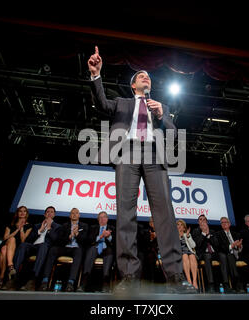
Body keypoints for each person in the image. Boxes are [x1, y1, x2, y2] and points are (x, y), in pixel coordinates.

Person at [88, 46, 196, 294]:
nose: (146, 77)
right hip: (127, 154)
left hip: (154, 156)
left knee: (165, 216)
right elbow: (101, 104)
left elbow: (172, 133)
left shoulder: (162, 107)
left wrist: (161, 116)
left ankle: (175, 276)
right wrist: (96, 75)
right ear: (133, 84)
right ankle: (128, 275)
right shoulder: (122, 103)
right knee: (126, 214)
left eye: (149, 76)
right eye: (141, 75)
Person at [39, 208, 88, 292]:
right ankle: (45, 281)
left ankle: (70, 283)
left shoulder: (84, 226)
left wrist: (77, 234)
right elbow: (59, 240)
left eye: (76, 213)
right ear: (70, 216)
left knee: (79, 251)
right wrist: (69, 236)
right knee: (53, 249)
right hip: (65, 247)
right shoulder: (64, 226)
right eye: (72, 213)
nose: (74, 215)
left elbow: (85, 241)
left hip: (76, 248)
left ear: (79, 215)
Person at [15, 206, 61, 291]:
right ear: (44, 214)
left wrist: (49, 229)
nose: (49, 213)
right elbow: (29, 239)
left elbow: (57, 241)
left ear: (54, 215)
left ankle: (33, 279)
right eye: (48, 212)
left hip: (45, 248)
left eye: (51, 212)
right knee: (23, 245)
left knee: (43, 246)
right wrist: (40, 230)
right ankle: (14, 275)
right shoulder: (37, 225)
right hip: (34, 246)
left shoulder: (58, 227)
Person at [0, 206, 34, 290]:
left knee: (4, 250)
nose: (22, 213)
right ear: (17, 213)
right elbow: (5, 238)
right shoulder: (10, 225)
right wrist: (17, 229)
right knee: (11, 240)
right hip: (7, 243)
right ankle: (10, 266)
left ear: (27, 214)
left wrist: (21, 229)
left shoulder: (29, 226)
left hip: (17, 248)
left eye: (24, 211)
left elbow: (23, 240)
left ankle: (1, 278)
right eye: (20, 211)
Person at [78, 211, 115, 292]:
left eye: (104, 217)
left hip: (107, 250)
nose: (102, 219)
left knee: (109, 250)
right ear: (98, 219)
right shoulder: (92, 227)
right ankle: (84, 282)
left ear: (107, 219)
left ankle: (106, 282)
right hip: (95, 248)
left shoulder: (112, 228)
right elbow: (88, 240)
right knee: (91, 249)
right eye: (100, 217)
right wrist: (101, 236)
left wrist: (109, 237)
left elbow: (115, 243)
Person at [215, 216, 244, 293]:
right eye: (222, 223)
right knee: (229, 256)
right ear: (221, 225)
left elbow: (240, 249)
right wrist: (232, 246)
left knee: (231, 256)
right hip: (227, 254)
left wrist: (239, 246)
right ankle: (235, 283)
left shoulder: (236, 234)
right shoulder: (218, 234)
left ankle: (235, 284)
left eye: (226, 222)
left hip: (237, 254)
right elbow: (220, 247)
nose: (224, 224)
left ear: (229, 224)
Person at [192, 214, 220, 293]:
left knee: (224, 256)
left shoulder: (212, 231)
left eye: (204, 219)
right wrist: (204, 234)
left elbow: (217, 244)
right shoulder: (195, 231)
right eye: (200, 219)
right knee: (207, 256)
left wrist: (209, 235)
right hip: (203, 254)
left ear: (207, 222)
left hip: (214, 253)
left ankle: (225, 284)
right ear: (198, 222)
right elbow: (197, 245)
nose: (202, 221)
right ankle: (211, 285)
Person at [177, 219, 198, 290]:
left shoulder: (187, 235)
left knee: (192, 256)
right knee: (185, 256)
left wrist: (188, 236)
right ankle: (189, 281)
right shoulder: (174, 236)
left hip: (189, 252)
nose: (179, 226)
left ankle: (194, 281)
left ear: (184, 227)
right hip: (181, 253)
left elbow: (193, 246)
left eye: (181, 225)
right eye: (178, 225)